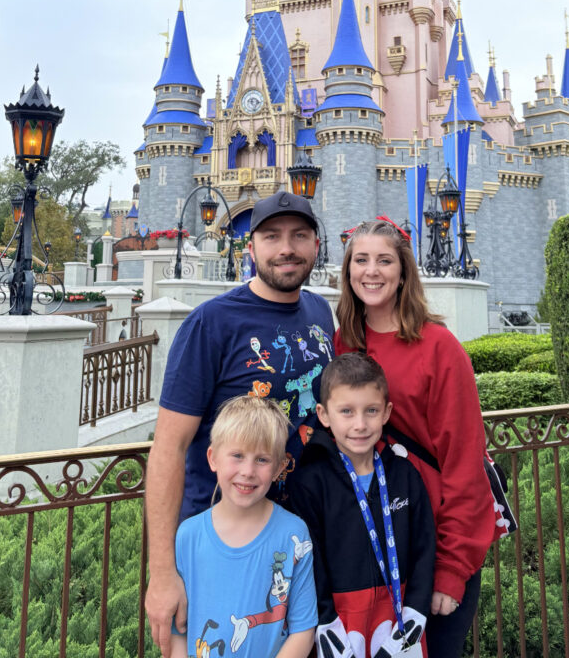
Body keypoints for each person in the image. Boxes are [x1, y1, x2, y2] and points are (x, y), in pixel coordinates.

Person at [146, 190, 334, 656]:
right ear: (250, 248)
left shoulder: (319, 313)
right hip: (220, 549)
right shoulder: (212, 323)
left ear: (315, 246)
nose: (285, 248)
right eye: (271, 237)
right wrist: (164, 573)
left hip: (299, 543)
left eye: (298, 236)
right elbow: (168, 448)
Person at [335, 219, 502, 658]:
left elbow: (464, 462)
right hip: (369, 540)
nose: (372, 271)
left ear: (404, 271)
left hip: (431, 541)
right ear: (348, 270)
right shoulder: (344, 341)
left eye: (384, 260)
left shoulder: (438, 347)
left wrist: (451, 569)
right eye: (361, 260)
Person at [288, 353, 435, 658]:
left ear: (386, 412)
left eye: (371, 410)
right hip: (341, 623)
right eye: (346, 411)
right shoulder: (309, 483)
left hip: (399, 618)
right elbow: (307, 561)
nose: (360, 424)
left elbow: (424, 549)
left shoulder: (406, 475)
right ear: (324, 415)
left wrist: (415, 613)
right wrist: (326, 620)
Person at [171, 395, 317, 658]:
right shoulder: (188, 537)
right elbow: (177, 633)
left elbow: (303, 631)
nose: (248, 471)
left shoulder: (294, 535)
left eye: (262, 460)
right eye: (237, 456)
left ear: (279, 467)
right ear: (213, 458)